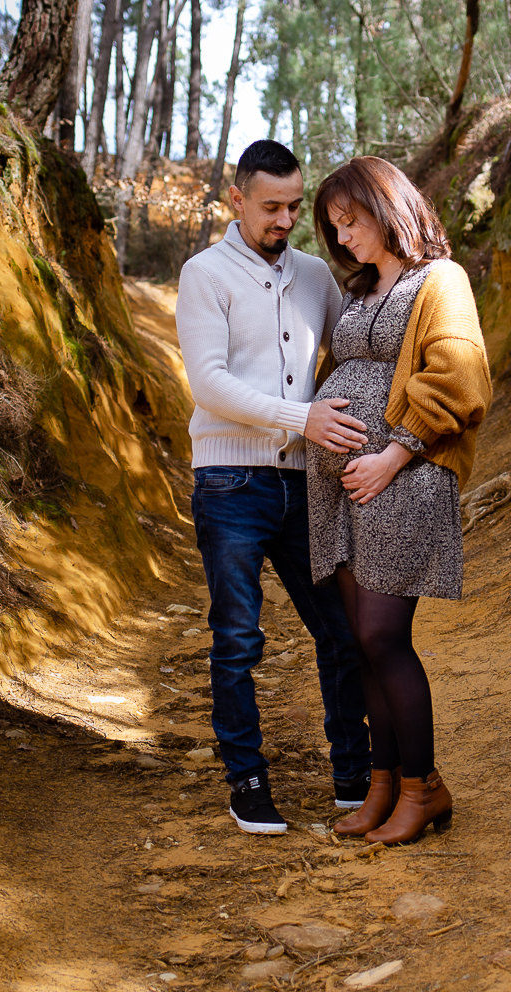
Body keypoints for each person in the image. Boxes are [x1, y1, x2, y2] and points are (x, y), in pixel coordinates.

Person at [175, 139, 374, 835]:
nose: (284, 219)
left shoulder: (316, 275)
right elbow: (209, 383)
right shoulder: (205, 274)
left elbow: (356, 348)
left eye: (293, 206)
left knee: (341, 630)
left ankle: (353, 773)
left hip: (306, 482)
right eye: (270, 207)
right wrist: (302, 417)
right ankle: (248, 780)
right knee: (237, 637)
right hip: (229, 481)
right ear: (236, 199)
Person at [306, 155, 491, 846]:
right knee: (363, 642)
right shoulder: (360, 288)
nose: (343, 237)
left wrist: (392, 453)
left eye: (351, 221)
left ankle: (423, 788)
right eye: (334, 227)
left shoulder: (439, 281)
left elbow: (461, 377)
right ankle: (382, 787)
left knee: (385, 636)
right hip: (343, 489)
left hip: (402, 476)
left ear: (387, 209)